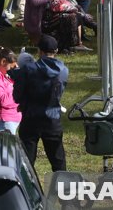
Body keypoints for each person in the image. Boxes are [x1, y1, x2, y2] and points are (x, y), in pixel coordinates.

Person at [12, 35, 69, 172]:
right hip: (52, 117)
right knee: (57, 159)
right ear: (55, 51)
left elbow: (17, 96)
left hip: (31, 117)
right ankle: (63, 189)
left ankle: (28, 189)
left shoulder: (28, 69)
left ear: (40, 51)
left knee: (27, 161)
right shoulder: (63, 70)